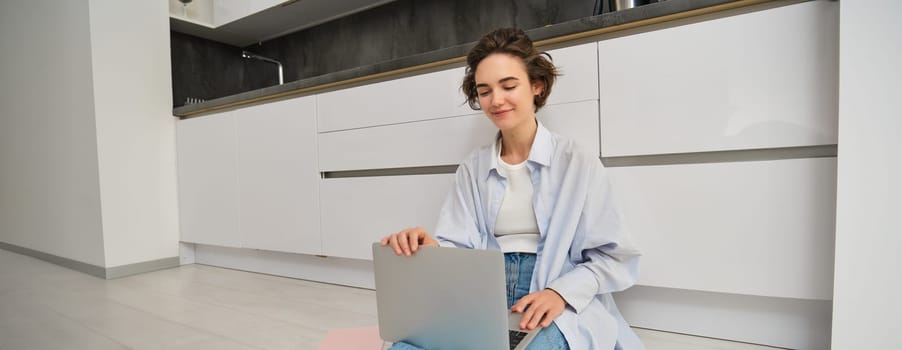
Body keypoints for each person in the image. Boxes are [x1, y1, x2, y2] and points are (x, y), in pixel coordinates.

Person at [380, 28, 644, 350]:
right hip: (480, 294)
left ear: (536, 85)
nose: (497, 100)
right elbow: (458, 248)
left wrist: (559, 293)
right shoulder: (471, 169)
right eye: (485, 90)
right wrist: (428, 247)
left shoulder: (577, 162)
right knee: (402, 347)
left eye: (508, 86)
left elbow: (612, 258)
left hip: (552, 295)